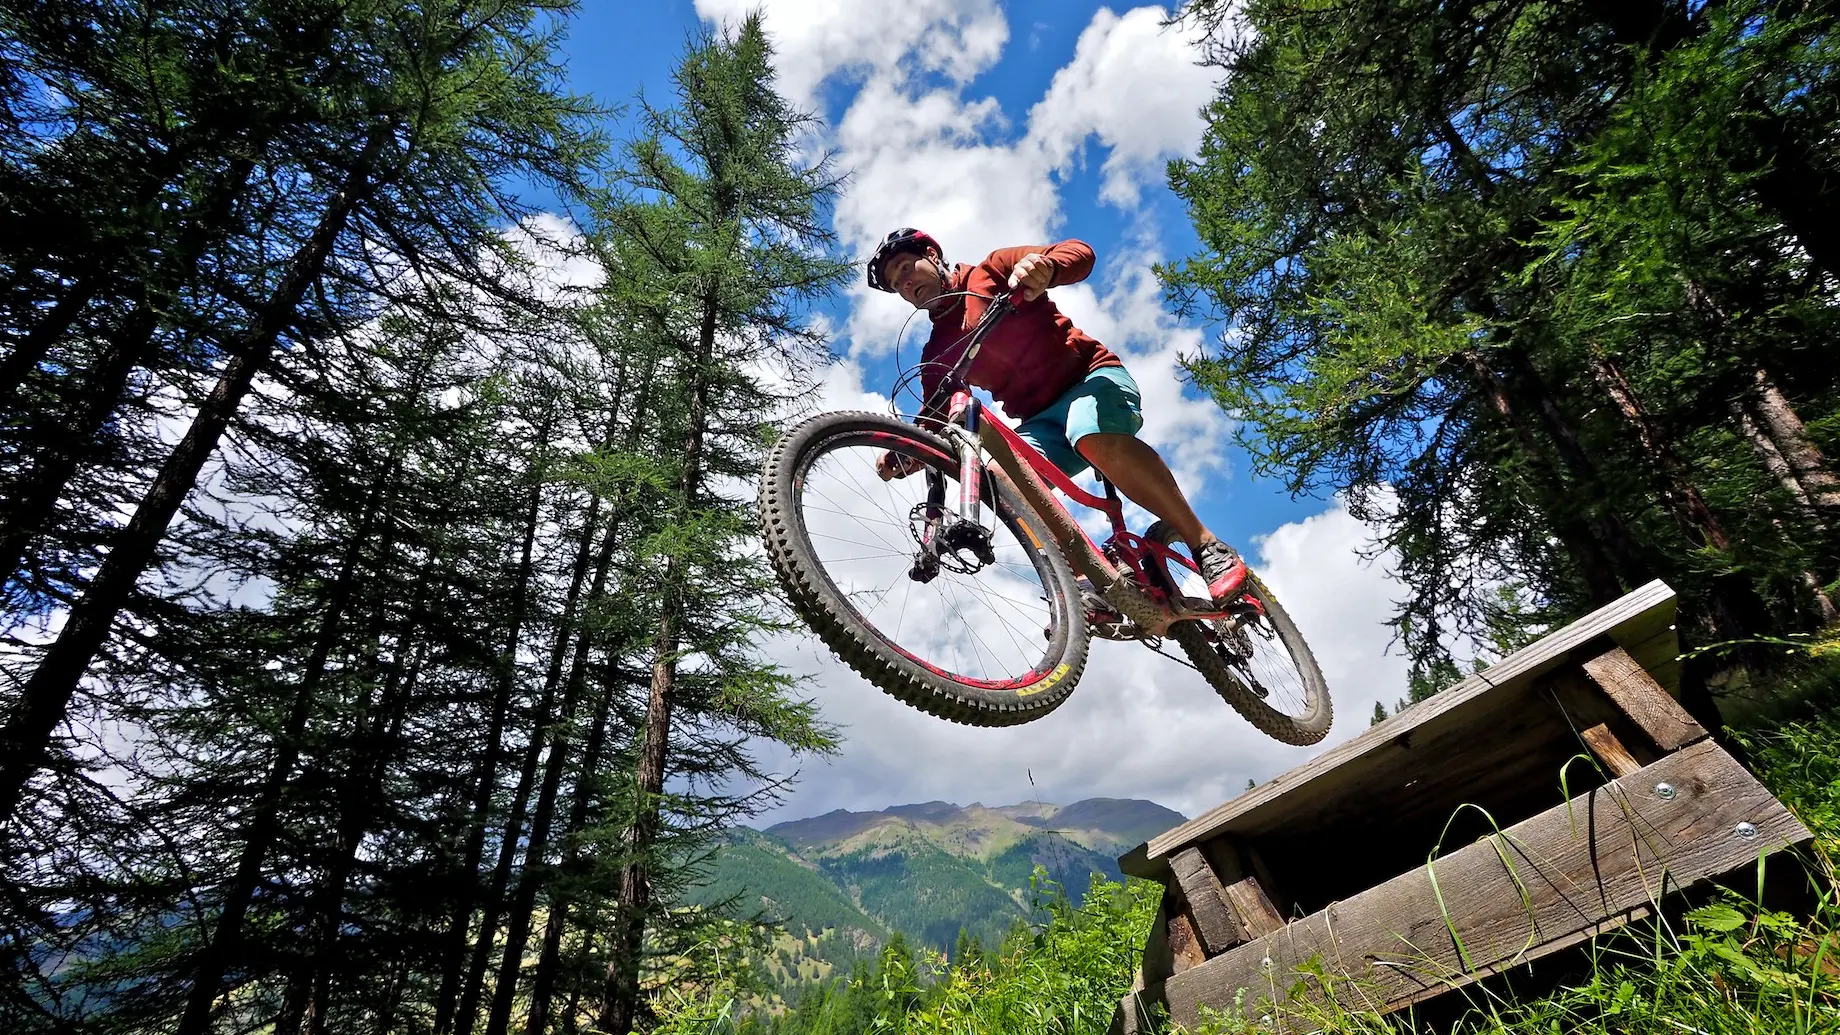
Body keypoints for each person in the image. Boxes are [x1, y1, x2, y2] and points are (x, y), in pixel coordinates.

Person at [866, 226, 1246, 604]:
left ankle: (1207, 545)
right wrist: (904, 450)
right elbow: (935, 417)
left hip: (1092, 379)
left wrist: (1046, 268)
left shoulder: (992, 271)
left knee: (1087, 430)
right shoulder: (938, 350)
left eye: (904, 267)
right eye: (894, 283)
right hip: (1042, 423)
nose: (903, 283)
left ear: (932, 256)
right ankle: (1090, 582)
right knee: (1000, 481)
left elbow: (1079, 251)